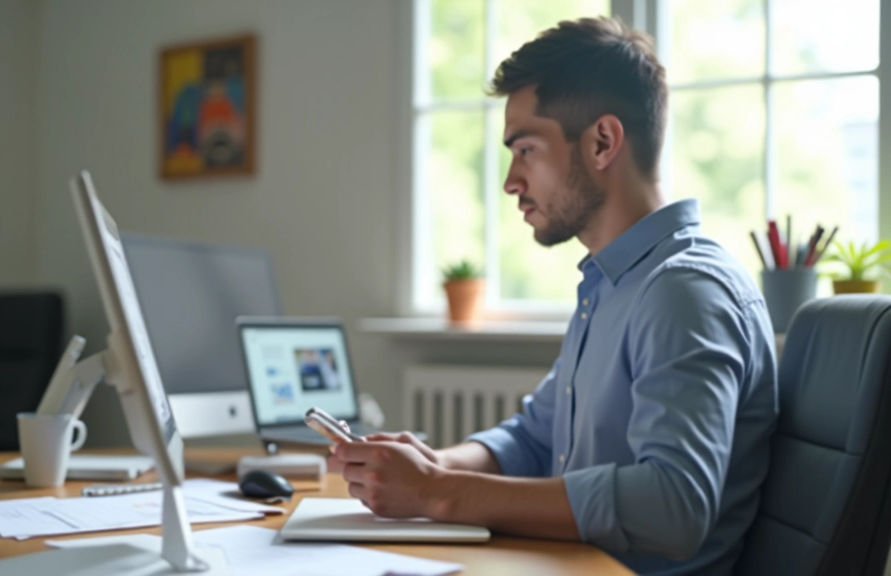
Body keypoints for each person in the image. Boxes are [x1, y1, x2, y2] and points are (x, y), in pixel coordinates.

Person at [328, 16, 778, 576]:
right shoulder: (611, 285)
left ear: (602, 142)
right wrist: (434, 464)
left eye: (526, 149)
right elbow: (534, 439)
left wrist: (438, 493)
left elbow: (673, 506)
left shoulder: (683, 293)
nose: (510, 181)